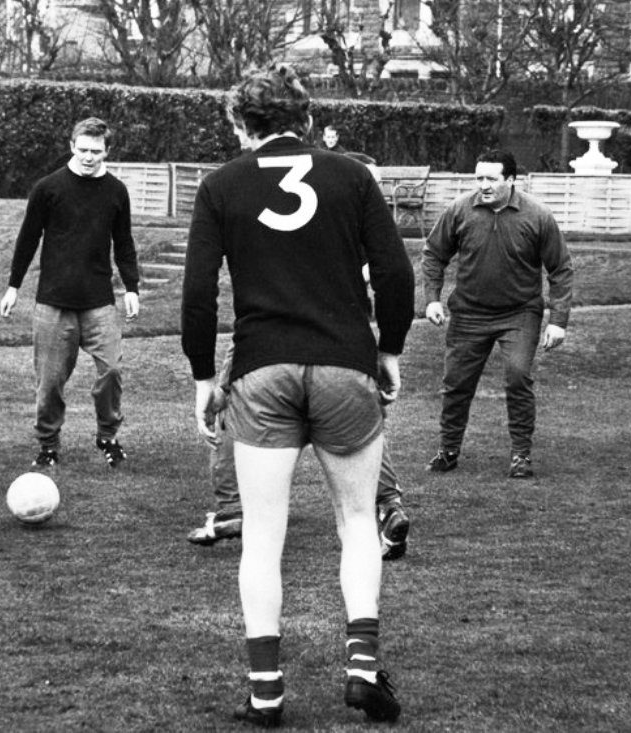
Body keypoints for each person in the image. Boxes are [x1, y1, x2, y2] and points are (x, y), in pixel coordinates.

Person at [182, 65, 415, 726]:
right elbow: (395, 272)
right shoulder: (351, 176)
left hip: (262, 369)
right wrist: (390, 349)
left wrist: (204, 376)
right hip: (344, 364)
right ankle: (362, 670)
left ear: (240, 125)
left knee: (262, 535)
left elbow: (198, 292)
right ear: (307, 119)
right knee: (357, 522)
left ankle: (266, 691)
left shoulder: (221, 184)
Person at [186, 342, 412, 563]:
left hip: (266, 343)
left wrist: (206, 382)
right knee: (359, 427)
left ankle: (232, 507)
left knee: (234, 395)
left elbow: (199, 316)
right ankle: (388, 505)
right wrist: (388, 352)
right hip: (340, 342)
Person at [422, 149, 573, 479]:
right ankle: (448, 450)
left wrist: (558, 321)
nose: (484, 185)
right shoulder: (459, 209)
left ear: (511, 180)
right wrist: (432, 299)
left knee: (518, 377)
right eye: (479, 178)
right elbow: (433, 254)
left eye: (491, 178)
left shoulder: (538, 215)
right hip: (468, 314)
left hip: (520, 314)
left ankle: (521, 455)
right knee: (456, 383)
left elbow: (560, 269)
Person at [0, 117, 140, 468]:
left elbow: (124, 242)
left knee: (111, 370)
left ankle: (107, 437)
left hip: (99, 301)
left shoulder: (116, 191)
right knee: (49, 382)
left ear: (107, 151)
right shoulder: (48, 188)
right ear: (71, 146)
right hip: (53, 301)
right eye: (83, 150)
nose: (89, 157)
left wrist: (131, 287)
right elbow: (28, 239)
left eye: (96, 151)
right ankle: (48, 444)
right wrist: (13, 286)